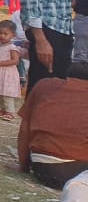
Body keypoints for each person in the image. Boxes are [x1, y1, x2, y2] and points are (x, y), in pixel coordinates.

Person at [19, 62, 88, 190]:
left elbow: (24, 128)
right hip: (76, 172)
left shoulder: (44, 85)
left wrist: (23, 166)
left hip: (41, 168)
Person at [0, 20, 22, 120]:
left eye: (5, 34)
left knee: (7, 93)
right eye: (0, 33)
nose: (2, 36)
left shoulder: (12, 47)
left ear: (13, 35)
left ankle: (10, 111)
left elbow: (15, 61)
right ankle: (3, 109)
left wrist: (1, 63)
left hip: (7, 73)